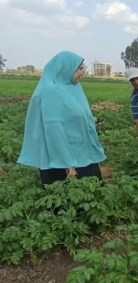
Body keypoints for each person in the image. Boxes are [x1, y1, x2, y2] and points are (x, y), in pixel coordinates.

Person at [17, 51, 106, 186]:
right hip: (61, 158)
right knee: (65, 199)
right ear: (66, 68)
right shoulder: (50, 91)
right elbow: (54, 129)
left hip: (82, 152)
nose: (82, 72)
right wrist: (67, 162)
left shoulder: (73, 87)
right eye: (80, 68)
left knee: (92, 192)